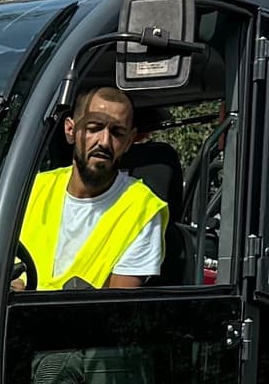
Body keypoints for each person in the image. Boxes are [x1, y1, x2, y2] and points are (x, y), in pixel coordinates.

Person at [10, 86, 168, 291]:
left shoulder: (143, 210)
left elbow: (117, 307)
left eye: (117, 133)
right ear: (70, 130)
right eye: (94, 128)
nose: (104, 141)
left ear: (129, 141)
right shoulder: (31, 189)